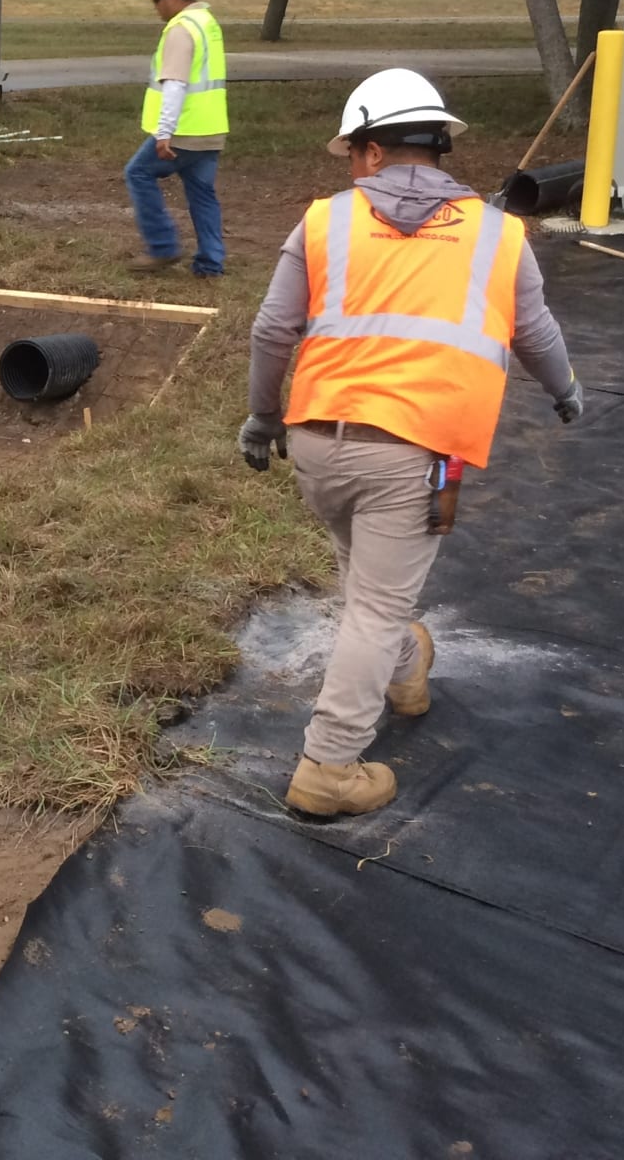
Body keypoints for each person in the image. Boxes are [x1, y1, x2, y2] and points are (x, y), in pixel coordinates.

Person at [239, 69, 581, 817]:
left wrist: (264, 420)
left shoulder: (324, 222)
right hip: (419, 452)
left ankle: (404, 673)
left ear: (368, 152)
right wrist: (564, 390)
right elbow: (535, 332)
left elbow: (273, 330)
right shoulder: (499, 234)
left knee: (368, 584)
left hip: (319, 445)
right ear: (438, 146)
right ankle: (329, 765)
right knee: (378, 606)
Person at [128, 0, 228, 277]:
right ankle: (211, 263)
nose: (155, 6)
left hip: (184, 130)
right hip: (211, 129)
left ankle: (162, 247)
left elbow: (174, 84)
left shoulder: (180, 30)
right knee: (202, 193)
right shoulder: (207, 22)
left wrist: (164, 132)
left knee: (138, 174)